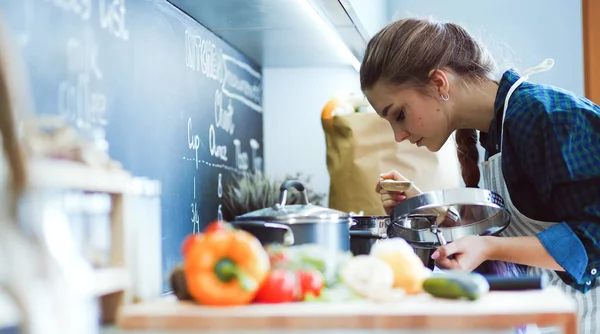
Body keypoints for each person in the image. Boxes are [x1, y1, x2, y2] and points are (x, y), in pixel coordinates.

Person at [363, 17, 600, 333]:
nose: (398, 136)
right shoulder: (494, 133)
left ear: (438, 83)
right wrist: (430, 210)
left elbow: (592, 240)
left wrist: (489, 249)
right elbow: (515, 235)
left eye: (399, 114)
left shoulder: (547, 119)